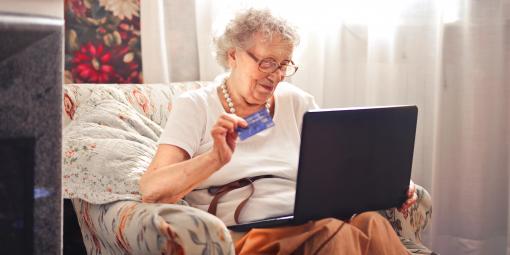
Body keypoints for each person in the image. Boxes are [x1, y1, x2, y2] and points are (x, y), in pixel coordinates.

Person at [140, 8, 416, 254]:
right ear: (233, 55)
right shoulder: (196, 106)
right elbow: (152, 189)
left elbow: (336, 171)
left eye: (284, 64)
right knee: (336, 233)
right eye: (267, 62)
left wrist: (388, 183)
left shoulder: (296, 102)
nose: (276, 75)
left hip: (306, 219)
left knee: (372, 222)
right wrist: (215, 158)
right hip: (249, 232)